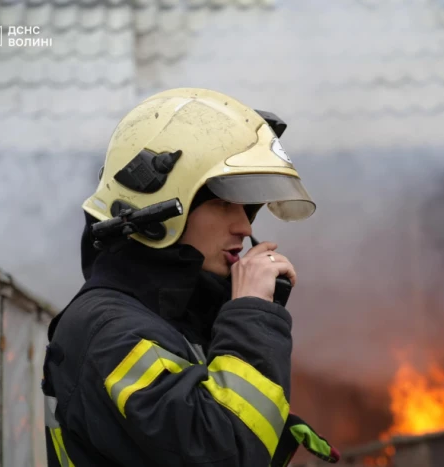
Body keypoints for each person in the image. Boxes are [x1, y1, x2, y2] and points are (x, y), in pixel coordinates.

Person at [41, 88, 340, 466]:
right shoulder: (110, 334)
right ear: (157, 212)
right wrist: (250, 312)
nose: (245, 227)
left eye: (248, 208)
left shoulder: (171, 321)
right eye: (223, 203)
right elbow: (224, 451)